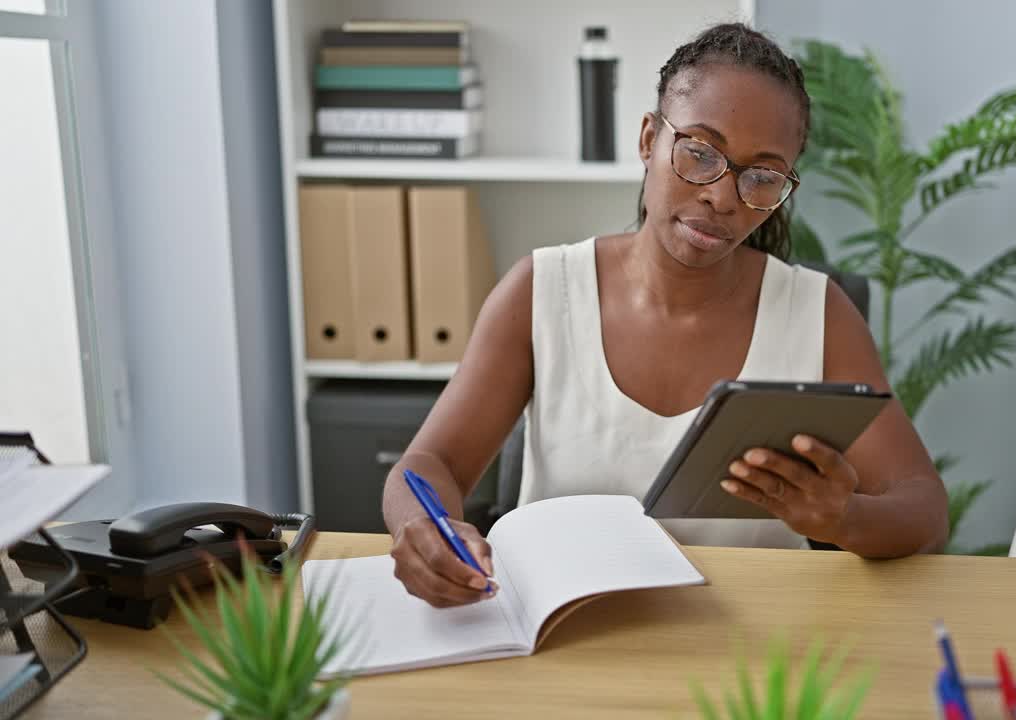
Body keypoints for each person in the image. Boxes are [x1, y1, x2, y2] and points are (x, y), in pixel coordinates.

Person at [382, 23, 949, 608]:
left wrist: (843, 519)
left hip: (758, 661)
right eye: (700, 153)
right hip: (574, 640)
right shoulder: (542, 291)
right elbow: (430, 464)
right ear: (649, 138)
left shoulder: (818, 314)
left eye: (762, 176)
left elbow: (924, 508)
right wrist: (422, 530)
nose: (723, 197)